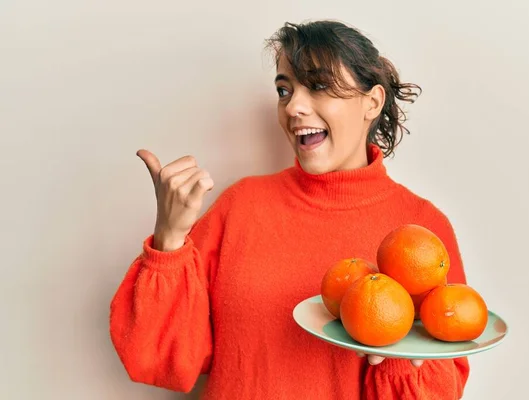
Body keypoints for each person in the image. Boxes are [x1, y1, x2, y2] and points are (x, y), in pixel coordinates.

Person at [109, 19, 470, 399]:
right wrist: (170, 239)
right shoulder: (241, 206)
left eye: (318, 85)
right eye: (285, 89)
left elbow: (440, 388)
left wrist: (401, 354)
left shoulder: (423, 229)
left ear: (372, 102)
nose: (293, 106)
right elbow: (159, 360)